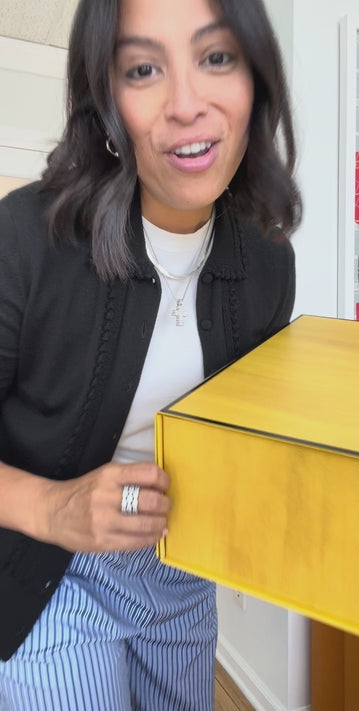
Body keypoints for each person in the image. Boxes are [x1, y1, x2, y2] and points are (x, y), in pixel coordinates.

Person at [0, 0, 301, 708]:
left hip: (182, 570)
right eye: (143, 69)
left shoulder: (267, 263)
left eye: (216, 57)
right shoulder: (24, 238)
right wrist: (52, 508)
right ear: (105, 99)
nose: (186, 104)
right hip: (49, 570)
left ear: (255, 80)